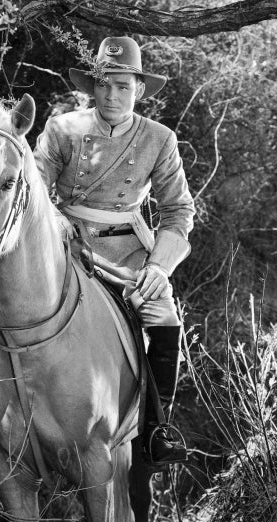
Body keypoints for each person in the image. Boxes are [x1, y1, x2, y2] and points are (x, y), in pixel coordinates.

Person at [33, 36, 195, 469]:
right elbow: (33, 186)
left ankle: (159, 428)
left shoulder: (159, 139)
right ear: (92, 86)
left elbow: (179, 211)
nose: (112, 95)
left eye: (122, 86)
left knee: (163, 313)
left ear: (139, 89)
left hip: (126, 248)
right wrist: (54, 219)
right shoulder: (62, 128)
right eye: (104, 84)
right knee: (5, 292)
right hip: (63, 241)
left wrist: (160, 267)